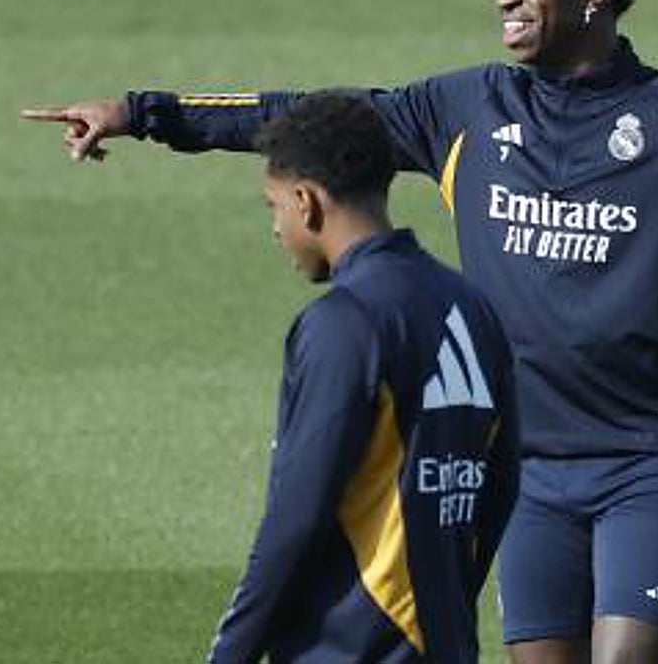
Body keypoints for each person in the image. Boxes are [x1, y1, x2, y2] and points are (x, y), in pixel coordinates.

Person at [22, 0, 658, 663]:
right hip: (525, 464)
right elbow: (311, 117)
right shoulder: (467, 108)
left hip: (650, 456)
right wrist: (144, 113)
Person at [208, 92, 519, 663]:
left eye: (273, 207)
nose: (276, 228)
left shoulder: (342, 324)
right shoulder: (471, 307)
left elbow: (296, 517)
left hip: (346, 649)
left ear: (306, 202)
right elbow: (501, 486)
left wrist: (229, 652)